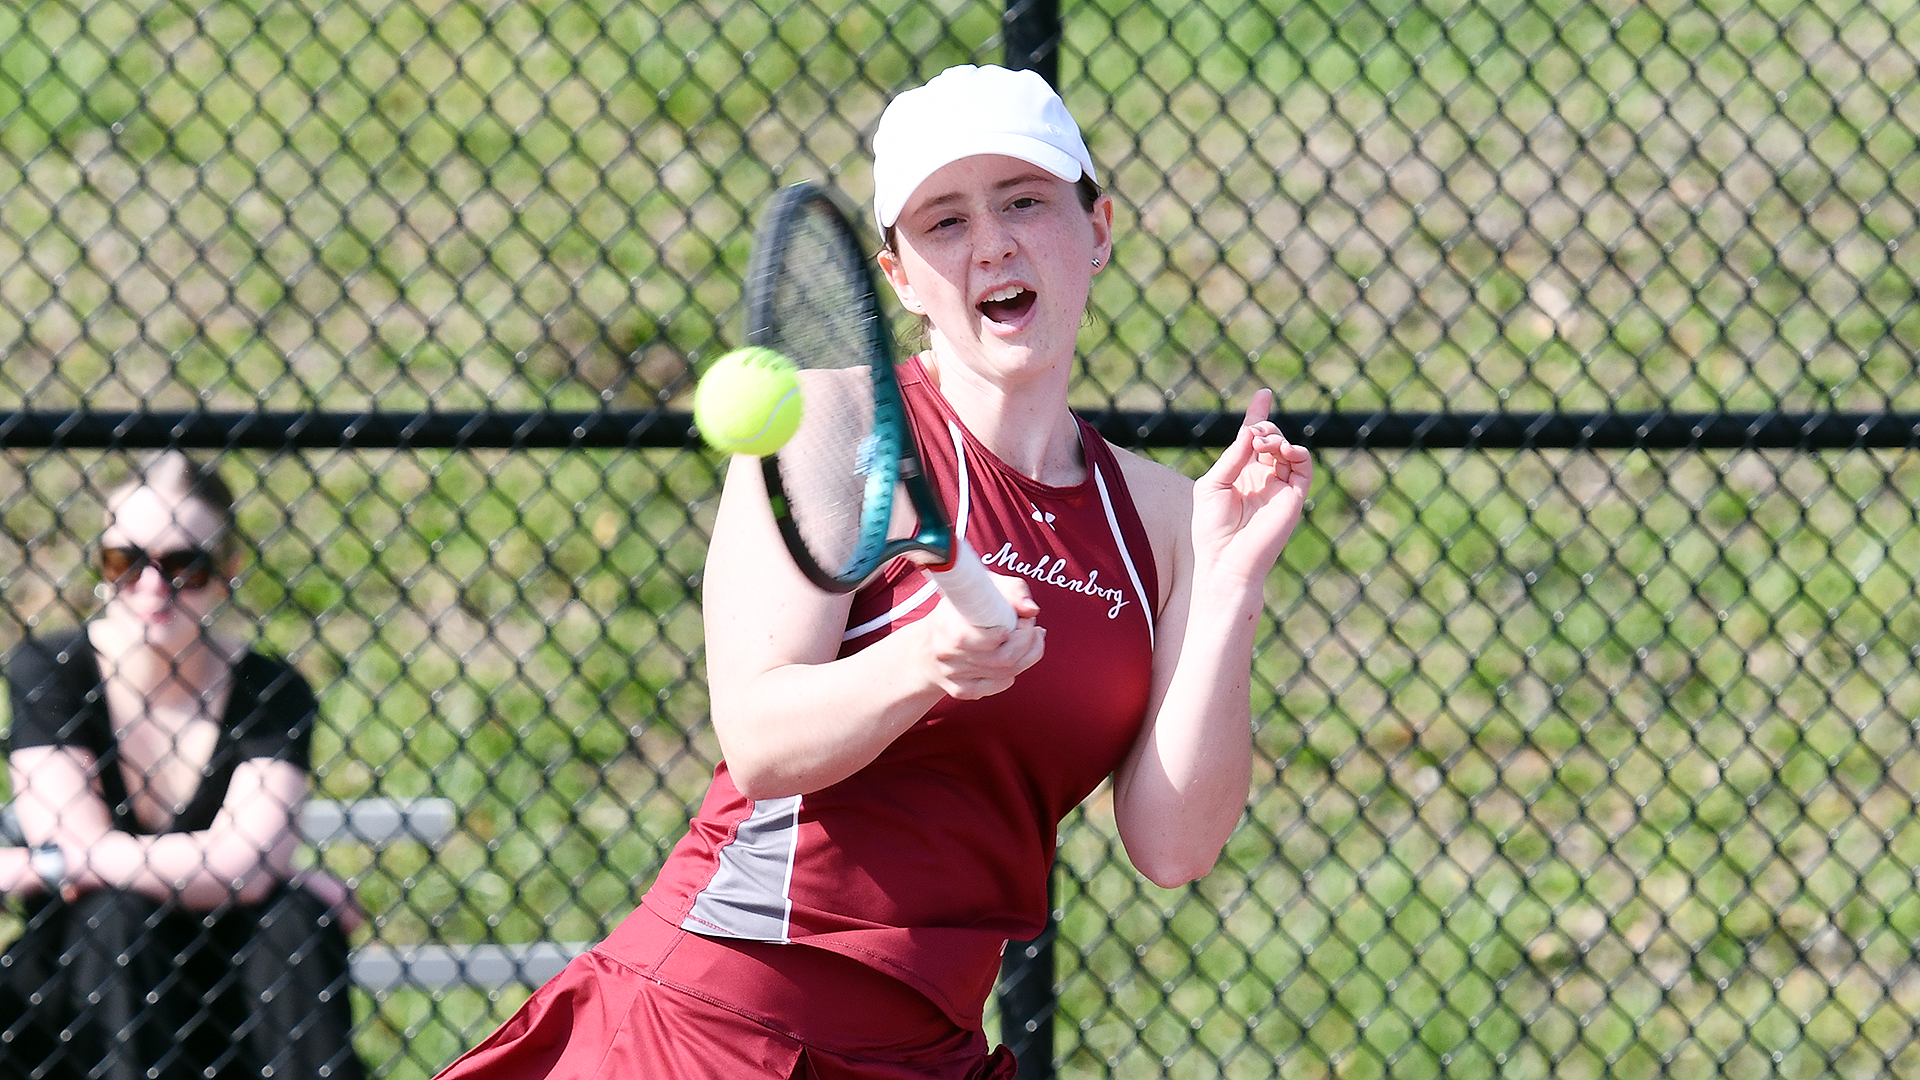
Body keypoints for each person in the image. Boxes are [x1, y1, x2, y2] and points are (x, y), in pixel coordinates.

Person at [433, 63, 1313, 1080]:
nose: (991, 243)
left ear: (1098, 228)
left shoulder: (1162, 517)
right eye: (943, 221)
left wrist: (1231, 585)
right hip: (720, 1027)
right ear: (897, 277)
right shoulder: (833, 426)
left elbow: (1175, 847)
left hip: (928, 1053)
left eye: (1024, 200)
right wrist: (923, 662)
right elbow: (762, 741)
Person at [0, 452, 367, 1080]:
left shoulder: (270, 690)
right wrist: (228, 865)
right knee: (115, 913)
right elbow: (230, 863)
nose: (151, 586)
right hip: (83, 988)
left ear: (227, 571)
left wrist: (53, 864)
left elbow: (245, 873)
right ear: (101, 565)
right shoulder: (50, 670)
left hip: (227, 983)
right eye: (125, 561)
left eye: (182, 565)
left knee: (295, 921)